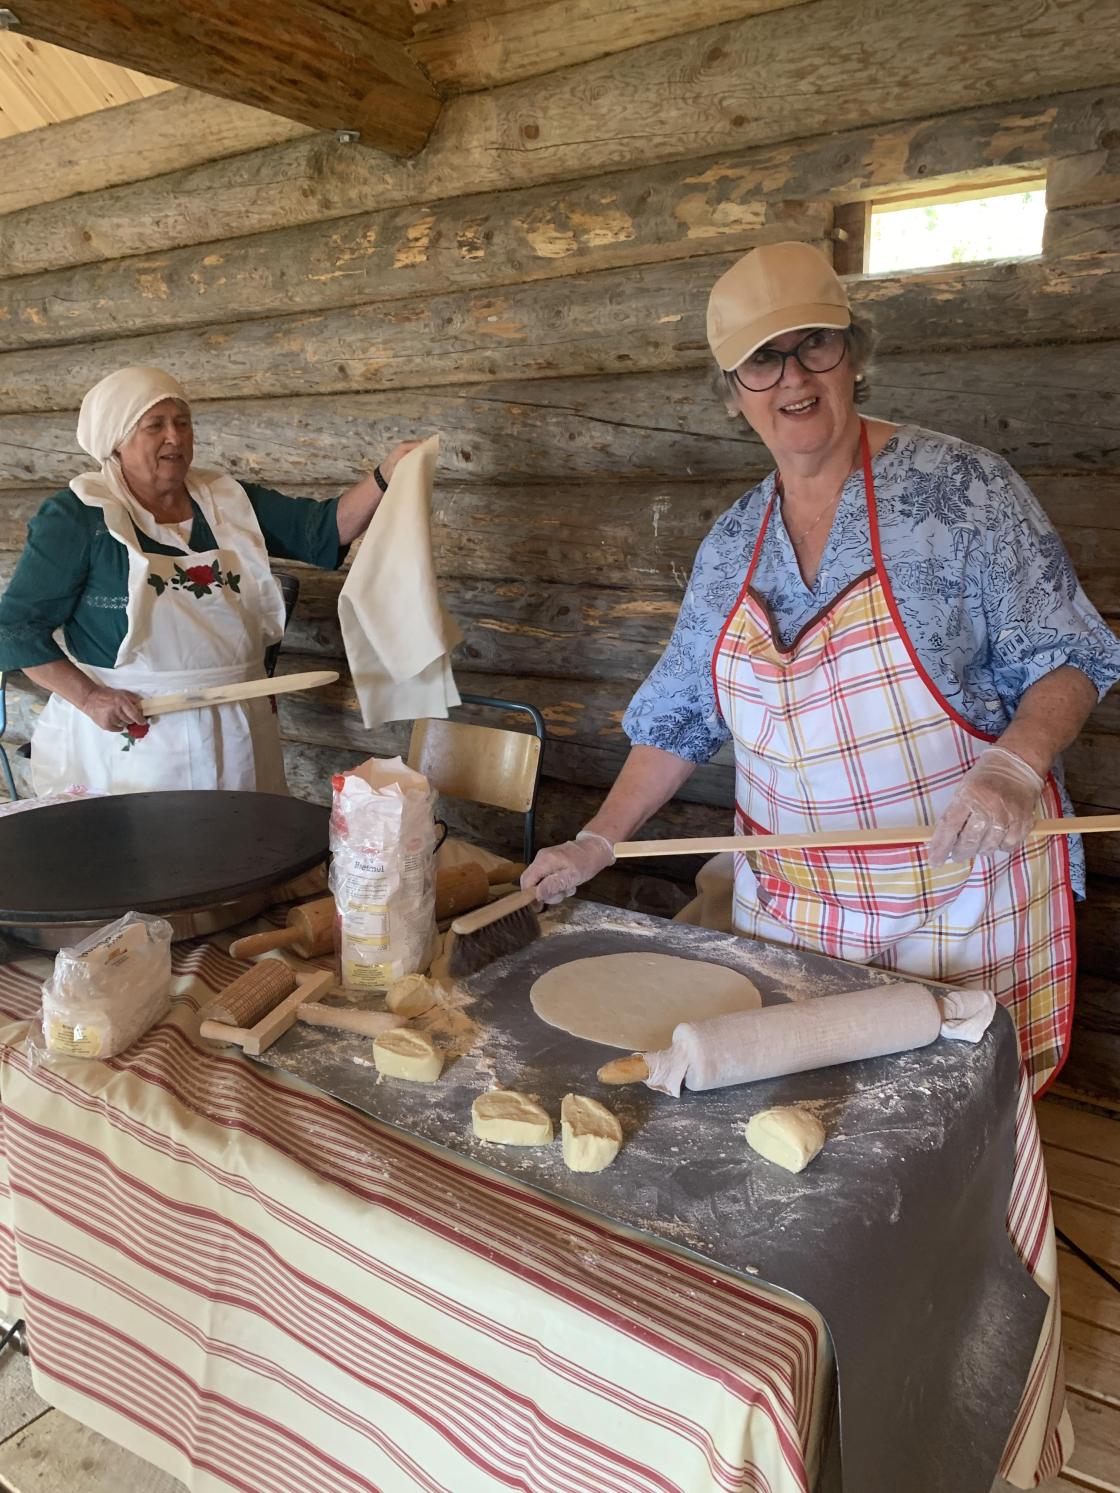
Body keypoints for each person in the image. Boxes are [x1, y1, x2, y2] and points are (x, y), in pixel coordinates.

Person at [521, 240, 1120, 1095]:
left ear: (854, 355)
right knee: (811, 1121)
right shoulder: (731, 545)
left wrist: (1012, 766)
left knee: (957, 1130)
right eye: (761, 359)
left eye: (815, 344)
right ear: (732, 393)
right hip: (796, 911)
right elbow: (682, 718)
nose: (793, 377)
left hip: (961, 902)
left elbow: (1068, 654)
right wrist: (595, 840)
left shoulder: (963, 492)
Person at [0, 365, 419, 796]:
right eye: (155, 426)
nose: (175, 438)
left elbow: (325, 529)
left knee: (242, 852)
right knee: (148, 856)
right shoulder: (78, 517)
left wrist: (387, 474)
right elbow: (14, 628)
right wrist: (89, 698)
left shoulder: (228, 501)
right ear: (116, 441)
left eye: (183, 423)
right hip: (139, 731)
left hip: (237, 727)